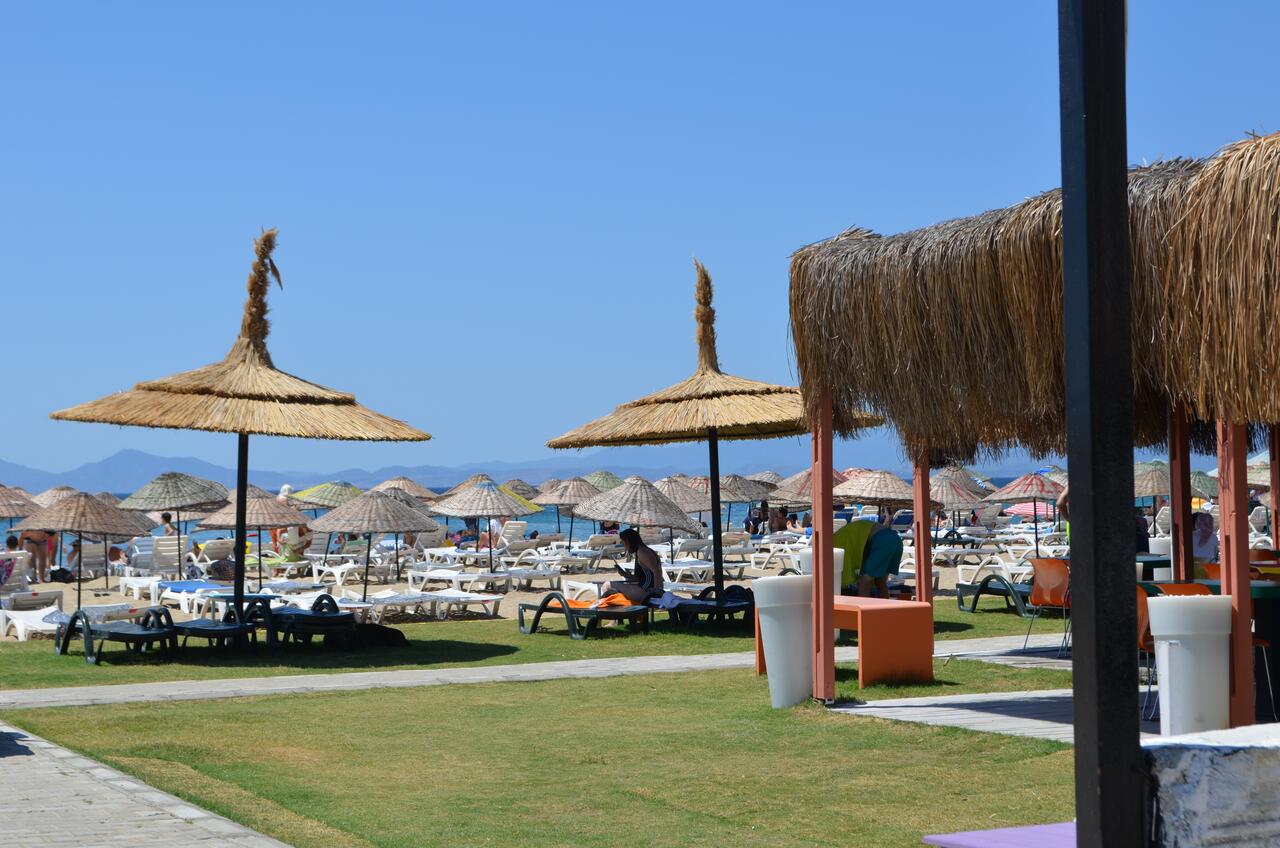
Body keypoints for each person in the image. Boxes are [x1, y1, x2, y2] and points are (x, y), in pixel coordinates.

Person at [601, 528, 663, 604]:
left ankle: (608, 609)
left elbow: (656, 571)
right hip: (645, 589)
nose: (624, 546)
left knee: (607, 585)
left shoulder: (642, 552)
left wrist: (656, 592)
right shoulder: (642, 550)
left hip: (646, 591)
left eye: (623, 543)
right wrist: (628, 576)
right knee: (615, 588)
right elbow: (645, 577)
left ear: (628, 541)